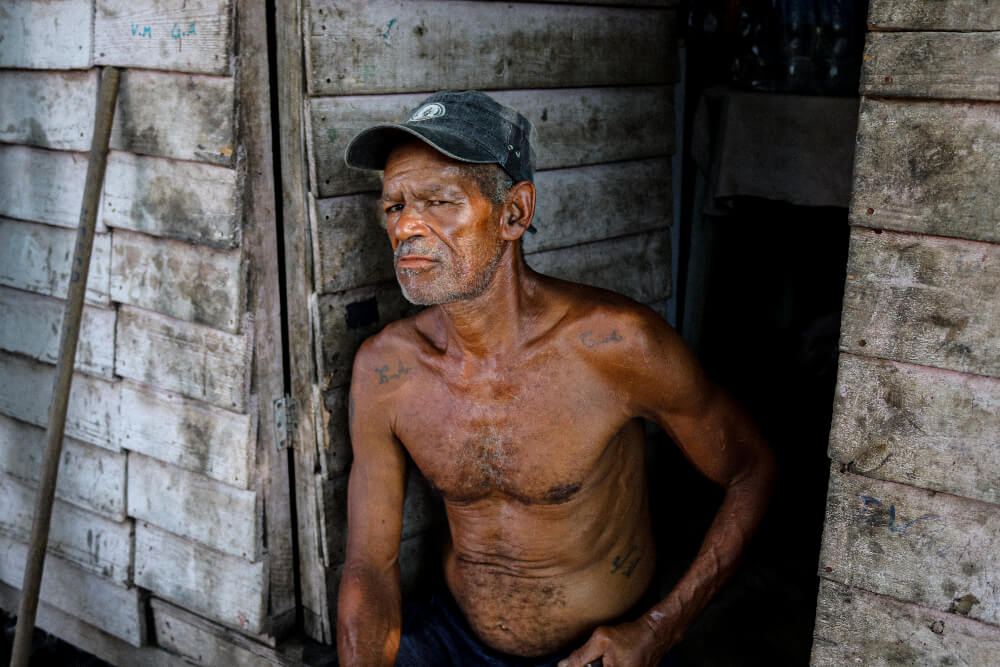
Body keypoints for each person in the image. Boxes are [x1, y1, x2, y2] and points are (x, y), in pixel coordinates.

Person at [336, 90, 776, 667]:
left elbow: (752, 471)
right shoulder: (386, 370)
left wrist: (658, 630)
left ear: (514, 213)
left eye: (440, 201)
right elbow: (369, 565)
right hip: (451, 638)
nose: (407, 227)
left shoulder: (615, 346)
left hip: (598, 652)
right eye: (394, 207)